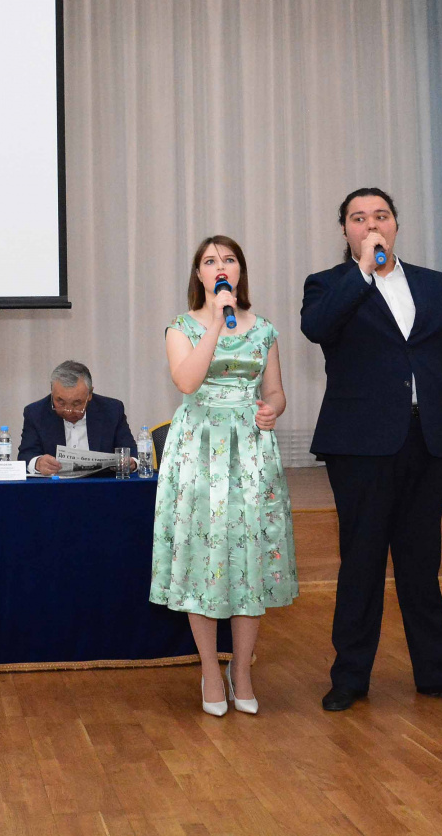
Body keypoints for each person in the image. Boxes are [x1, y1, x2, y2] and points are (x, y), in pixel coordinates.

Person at [301, 187, 442, 711]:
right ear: (345, 230)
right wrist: (363, 272)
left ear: (396, 226)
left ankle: (438, 673)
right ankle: (349, 678)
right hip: (359, 445)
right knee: (361, 562)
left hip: (426, 440)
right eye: (359, 218)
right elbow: (317, 329)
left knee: (421, 563)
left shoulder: (434, 284)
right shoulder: (327, 285)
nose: (372, 225)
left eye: (381, 216)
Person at [151, 235, 297, 717]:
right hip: (200, 450)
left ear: (239, 271)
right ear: (199, 274)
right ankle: (211, 672)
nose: (221, 266)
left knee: (249, 555)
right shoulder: (181, 327)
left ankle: (244, 671)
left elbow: (275, 391)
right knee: (204, 556)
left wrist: (272, 409)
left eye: (229, 259)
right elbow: (187, 381)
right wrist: (216, 321)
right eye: (210, 260)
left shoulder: (265, 329)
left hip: (250, 451)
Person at [18, 360, 137, 475]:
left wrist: (131, 463)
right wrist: (38, 463)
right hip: (55, 486)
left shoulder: (112, 410)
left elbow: (131, 453)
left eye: (76, 403)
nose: (68, 411)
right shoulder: (35, 413)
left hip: (101, 485)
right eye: (60, 402)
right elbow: (26, 455)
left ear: (89, 394)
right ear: (52, 392)